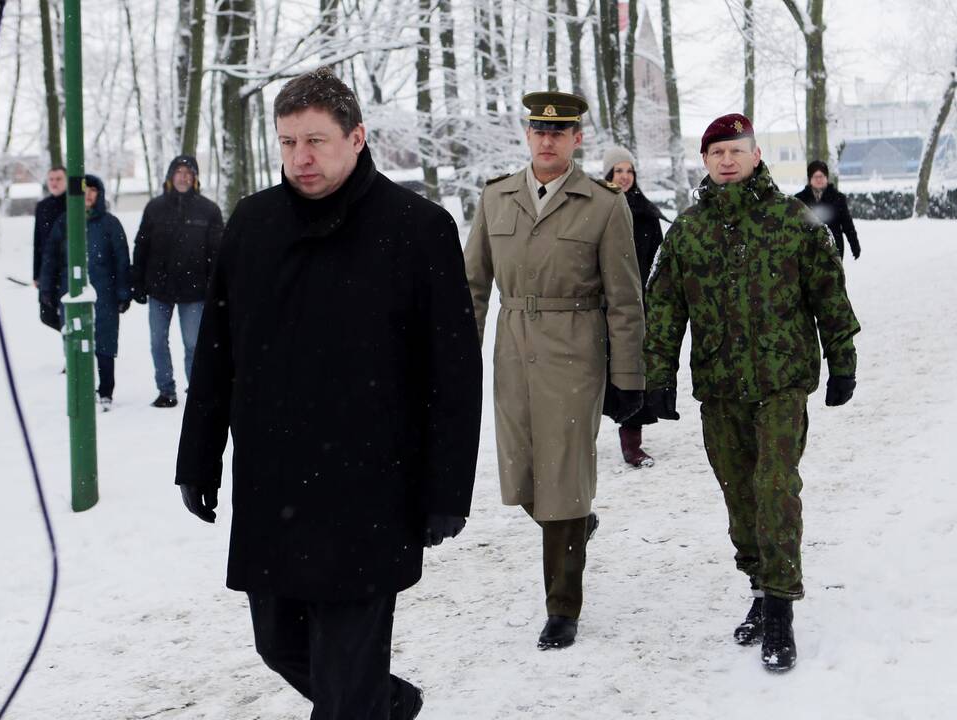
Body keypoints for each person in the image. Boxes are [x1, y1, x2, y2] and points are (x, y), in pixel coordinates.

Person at [173, 67, 482, 719]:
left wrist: (446, 489)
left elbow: (453, 373)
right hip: (274, 489)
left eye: (315, 140)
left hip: (370, 494)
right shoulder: (252, 225)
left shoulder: (416, 229)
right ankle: (386, 704)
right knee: (279, 643)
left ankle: (364, 703)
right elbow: (216, 357)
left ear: (357, 138)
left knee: (344, 683)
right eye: (287, 143)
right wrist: (197, 461)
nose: (300, 158)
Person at [644, 114, 861, 672]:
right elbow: (665, 310)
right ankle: (761, 589)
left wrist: (843, 363)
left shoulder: (794, 221)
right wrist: (659, 377)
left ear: (757, 153)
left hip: (782, 382)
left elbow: (829, 294)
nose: (726, 160)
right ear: (706, 161)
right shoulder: (687, 231)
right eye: (716, 152)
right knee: (739, 495)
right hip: (719, 388)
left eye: (736, 150)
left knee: (774, 487)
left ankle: (782, 610)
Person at [464, 91, 646, 650]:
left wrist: (629, 378)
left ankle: (562, 606)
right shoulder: (496, 199)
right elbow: (471, 287)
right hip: (512, 353)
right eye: (539, 131)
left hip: (575, 353)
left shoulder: (603, 205)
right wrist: (458, 364)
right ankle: (572, 528)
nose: (548, 140)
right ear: (528, 135)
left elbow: (624, 298)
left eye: (559, 132)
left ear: (576, 139)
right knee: (521, 478)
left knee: (563, 481)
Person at [130, 155, 224, 408]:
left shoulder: (209, 210)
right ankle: (166, 391)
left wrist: (216, 288)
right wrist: (136, 281)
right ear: (170, 177)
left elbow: (217, 254)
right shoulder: (155, 208)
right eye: (178, 172)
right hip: (159, 289)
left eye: (188, 173)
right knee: (157, 342)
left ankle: (197, 390)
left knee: (194, 344)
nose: (183, 177)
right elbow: (141, 246)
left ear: (195, 179)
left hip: (195, 291)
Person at [39, 174, 132, 411]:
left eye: (93, 190)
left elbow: (121, 259)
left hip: (105, 294)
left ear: (99, 195)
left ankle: (106, 392)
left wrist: (123, 293)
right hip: (70, 292)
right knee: (76, 343)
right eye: (84, 190)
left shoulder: (110, 223)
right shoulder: (65, 222)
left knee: (105, 344)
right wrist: (47, 288)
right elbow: (50, 257)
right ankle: (82, 389)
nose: (88, 194)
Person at [603, 146, 665, 468]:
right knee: (593, 375)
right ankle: (578, 440)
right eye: (618, 171)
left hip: (637, 307)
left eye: (629, 171)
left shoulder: (646, 215)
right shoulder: (593, 212)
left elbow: (657, 262)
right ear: (607, 175)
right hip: (598, 307)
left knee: (635, 371)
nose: (624, 176)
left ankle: (632, 443)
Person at [793, 160, 861, 261]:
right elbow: (793, 226)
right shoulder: (799, 199)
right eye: (815, 176)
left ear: (827, 178)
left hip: (833, 248)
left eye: (822, 176)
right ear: (810, 179)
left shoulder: (838, 198)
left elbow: (847, 224)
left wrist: (854, 245)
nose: (819, 179)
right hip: (808, 250)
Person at [33, 166, 67, 331]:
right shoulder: (42, 206)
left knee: (68, 313)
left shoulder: (74, 204)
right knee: (47, 314)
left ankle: (73, 350)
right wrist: (36, 273)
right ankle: (69, 341)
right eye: (51, 179)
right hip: (47, 269)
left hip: (67, 266)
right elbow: (37, 241)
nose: (54, 183)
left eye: (59, 179)